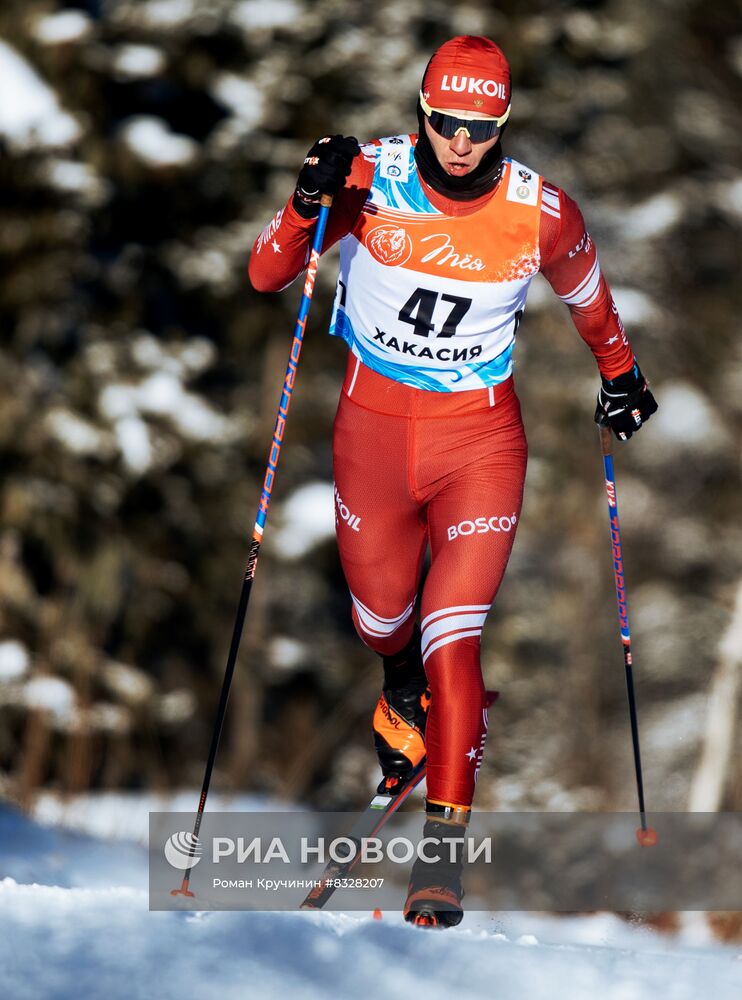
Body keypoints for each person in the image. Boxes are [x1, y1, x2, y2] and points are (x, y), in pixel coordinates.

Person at [249, 35, 657, 927]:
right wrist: (306, 199)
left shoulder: (540, 211)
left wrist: (620, 374)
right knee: (380, 616)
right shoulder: (368, 180)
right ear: (421, 112)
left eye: (480, 126)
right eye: (445, 122)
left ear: (502, 122)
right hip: (372, 435)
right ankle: (403, 702)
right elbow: (267, 273)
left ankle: (442, 861)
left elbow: (587, 290)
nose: (461, 142)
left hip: (480, 441)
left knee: (454, 636)